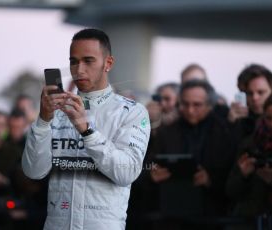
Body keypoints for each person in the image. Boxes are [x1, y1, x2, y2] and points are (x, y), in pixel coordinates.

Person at [22, 28, 150, 230]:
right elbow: (34, 172)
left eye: (88, 60)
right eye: (73, 61)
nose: (79, 69)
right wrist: (43, 121)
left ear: (108, 63)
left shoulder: (131, 112)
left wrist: (87, 131)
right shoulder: (55, 111)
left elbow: (127, 173)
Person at [148, 80, 235, 229]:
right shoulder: (166, 132)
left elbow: (234, 173)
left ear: (209, 105)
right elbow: (148, 164)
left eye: (197, 105)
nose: (190, 110)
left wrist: (210, 179)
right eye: (185, 104)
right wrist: (152, 174)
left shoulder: (226, 132)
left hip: (213, 215)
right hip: (172, 212)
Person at [226, 94, 272, 230]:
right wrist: (243, 175)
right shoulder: (250, 143)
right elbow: (230, 191)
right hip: (249, 221)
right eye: (269, 118)